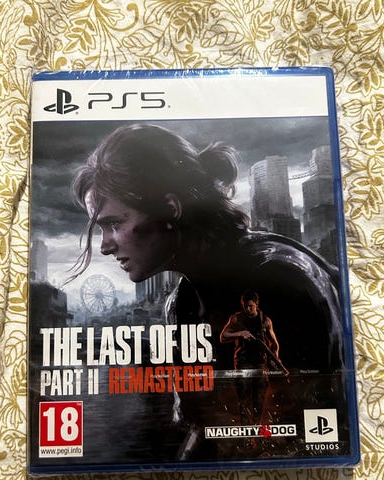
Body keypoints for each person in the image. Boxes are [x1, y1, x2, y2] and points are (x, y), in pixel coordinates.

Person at [73, 123, 345, 459]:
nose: (105, 246)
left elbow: (314, 435)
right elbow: (204, 430)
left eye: (114, 224)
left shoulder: (280, 279)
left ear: (170, 208)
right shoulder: (183, 302)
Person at [220, 290, 281, 426]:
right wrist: (240, 333)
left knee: (259, 398)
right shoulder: (236, 318)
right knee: (244, 398)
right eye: (245, 306)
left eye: (250, 306)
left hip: (260, 362)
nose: (247, 309)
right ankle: (246, 430)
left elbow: (274, 343)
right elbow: (223, 336)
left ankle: (256, 426)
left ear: (256, 304)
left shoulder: (265, 321)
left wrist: (276, 356)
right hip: (243, 362)